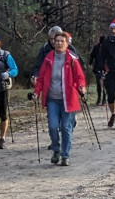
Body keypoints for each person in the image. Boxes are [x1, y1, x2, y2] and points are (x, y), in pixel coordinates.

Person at [33, 31, 86, 166]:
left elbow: (80, 77)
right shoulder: (49, 58)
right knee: (52, 126)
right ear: (53, 42)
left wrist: (81, 87)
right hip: (52, 98)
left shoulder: (72, 59)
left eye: (62, 41)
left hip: (68, 99)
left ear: (67, 43)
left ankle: (65, 155)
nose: (59, 43)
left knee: (66, 128)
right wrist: (36, 92)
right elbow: (41, 78)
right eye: (57, 41)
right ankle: (56, 150)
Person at [89, 36, 107, 105]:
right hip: (97, 68)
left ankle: (104, 99)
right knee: (99, 84)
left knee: (105, 84)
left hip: (105, 68)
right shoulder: (96, 47)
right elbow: (92, 55)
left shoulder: (108, 48)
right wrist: (90, 63)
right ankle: (99, 98)